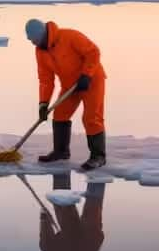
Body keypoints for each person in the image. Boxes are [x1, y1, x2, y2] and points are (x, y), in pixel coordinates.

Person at [25, 19, 107, 170]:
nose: (33, 44)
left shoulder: (70, 36)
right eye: (31, 41)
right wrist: (43, 103)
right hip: (70, 86)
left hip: (92, 81)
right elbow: (45, 80)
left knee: (91, 118)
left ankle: (98, 156)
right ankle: (61, 151)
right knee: (60, 114)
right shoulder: (40, 52)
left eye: (35, 40)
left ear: (42, 34)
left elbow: (93, 52)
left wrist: (86, 75)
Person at [39, 174, 106, 251]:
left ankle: (97, 175)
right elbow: (46, 241)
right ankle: (62, 170)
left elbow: (46, 241)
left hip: (86, 238)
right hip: (85, 238)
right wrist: (44, 218)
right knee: (63, 201)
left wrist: (44, 219)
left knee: (93, 204)